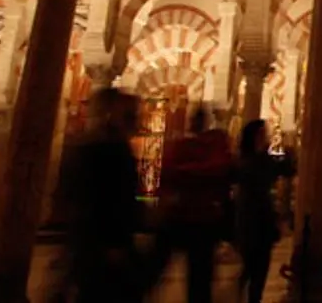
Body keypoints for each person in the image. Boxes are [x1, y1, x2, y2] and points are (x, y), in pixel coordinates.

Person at [59, 87, 143, 303]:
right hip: (101, 244)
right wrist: (114, 242)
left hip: (90, 241)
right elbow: (109, 199)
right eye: (131, 114)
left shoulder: (91, 146)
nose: (137, 120)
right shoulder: (109, 150)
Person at [150, 105, 233, 303]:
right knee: (199, 280)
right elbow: (219, 172)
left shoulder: (183, 147)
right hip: (199, 221)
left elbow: (169, 173)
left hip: (184, 218)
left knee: (159, 271)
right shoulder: (209, 148)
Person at [235, 119, 295, 303]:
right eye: (262, 134)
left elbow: (285, 169)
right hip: (254, 221)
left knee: (253, 270)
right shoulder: (255, 162)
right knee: (255, 269)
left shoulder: (250, 161)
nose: (265, 138)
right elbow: (284, 169)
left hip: (255, 222)